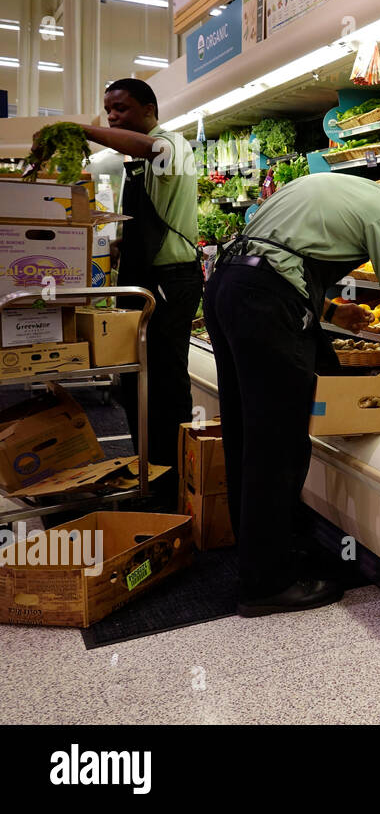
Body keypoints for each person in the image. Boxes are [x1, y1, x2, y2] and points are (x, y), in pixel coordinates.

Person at [205, 172, 380, 617]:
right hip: (263, 301)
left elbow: (280, 250)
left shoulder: (339, 186)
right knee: (278, 442)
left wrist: (331, 310)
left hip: (228, 287)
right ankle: (267, 585)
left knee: (246, 431)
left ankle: (259, 556)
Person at [75, 79, 202, 513]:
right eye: (107, 110)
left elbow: (150, 150)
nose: (112, 117)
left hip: (169, 279)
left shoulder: (171, 145)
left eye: (122, 109)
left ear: (150, 108)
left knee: (164, 382)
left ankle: (173, 479)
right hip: (146, 277)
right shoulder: (143, 156)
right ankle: (147, 466)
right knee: (135, 379)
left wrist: (84, 130)